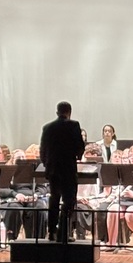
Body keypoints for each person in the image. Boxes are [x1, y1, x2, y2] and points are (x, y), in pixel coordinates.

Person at [39, 101, 85, 243]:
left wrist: (47, 164)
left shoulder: (47, 127)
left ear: (57, 112)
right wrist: (78, 155)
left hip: (53, 170)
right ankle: (63, 233)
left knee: (54, 199)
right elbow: (80, 146)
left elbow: (43, 150)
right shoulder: (74, 125)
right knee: (69, 200)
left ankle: (52, 231)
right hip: (68, 169)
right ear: (69, 112)